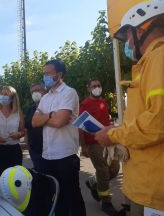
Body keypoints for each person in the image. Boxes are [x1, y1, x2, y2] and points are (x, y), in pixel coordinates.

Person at [95, 1, 164, 215]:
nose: (129, 45)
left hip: (154, 189)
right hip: (148, 185)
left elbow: (157, 121)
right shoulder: (151, 61)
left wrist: (114, 135)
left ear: (141, 30)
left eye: (128, 38)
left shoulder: (158, 57)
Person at [32, 59, 86, 216]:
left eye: (48, 73)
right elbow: (34, 122)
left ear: (59, 74)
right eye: (44, 73)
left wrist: (45, 118)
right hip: (47, 156)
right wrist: (50, 115)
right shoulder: (45, 98)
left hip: (66, 156)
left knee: (72, 199)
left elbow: (60, 122)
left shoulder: (69, 92)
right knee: (57, 200)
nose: (45, 77)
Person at [79, 79, 119, 215]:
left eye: (99, 85)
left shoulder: (103, 102)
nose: (97, 88)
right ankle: (105, 202)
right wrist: (83, 146)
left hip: (108, 141)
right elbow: (81, 126)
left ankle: (93, 183)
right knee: (103, 171)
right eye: (94, 86)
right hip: (93, 143)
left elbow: (106, 120)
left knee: (114, 168)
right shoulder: (85, 104)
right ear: (89, 88)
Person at [0, 86, 25, 178]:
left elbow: (23, 131)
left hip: (14, 151)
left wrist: (19, 134)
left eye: (6, 94)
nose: (3, 96)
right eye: (2, 94)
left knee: (14, 179)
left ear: (13, 98)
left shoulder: (18, 113)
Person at [24, 83, 46, 171]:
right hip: (34, 149)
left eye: (38, 90)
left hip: (48, 148)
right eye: (32, 92)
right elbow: (26, 127)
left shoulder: (50, 107)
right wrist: (27, 143)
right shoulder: (30, 109)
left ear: (45, 91)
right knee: (39, 172)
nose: (35, 93)